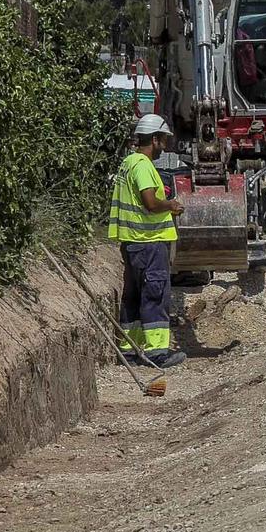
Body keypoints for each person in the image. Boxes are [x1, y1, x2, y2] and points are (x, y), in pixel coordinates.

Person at [107, 113, 186, 368]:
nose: (164, 145)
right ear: (154, 139)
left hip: (132, 243)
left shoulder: (127, 163)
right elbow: (150, 203)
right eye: (163, 140)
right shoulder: (142, 165)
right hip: (149, 242)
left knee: (133, 296)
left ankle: (129, 350)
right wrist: (170, 205)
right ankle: (156, 353)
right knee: (154, 295)